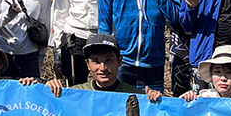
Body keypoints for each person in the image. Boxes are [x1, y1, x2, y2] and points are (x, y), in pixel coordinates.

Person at [29, 34, 163, 100]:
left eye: (109, 60)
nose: (103, 68)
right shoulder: (74, 94)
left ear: (119, 61)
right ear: (87, 64)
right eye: (96, 61)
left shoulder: (136, 96)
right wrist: (44, 90)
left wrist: (155, 100)